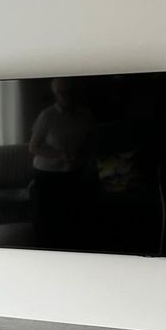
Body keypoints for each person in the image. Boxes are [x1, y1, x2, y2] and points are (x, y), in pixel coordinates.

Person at [28, 78, 95, 246]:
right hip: (47, 175)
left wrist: (85, 159)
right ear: (55, 94)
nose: (66, 96)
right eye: (61, 92)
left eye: (69, 91)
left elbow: (90, 142)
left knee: (71, 216)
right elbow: (33, 147)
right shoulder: (47, 116)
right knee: (48, 219)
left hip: (74, 172)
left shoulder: (86, 115)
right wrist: (59, 154)